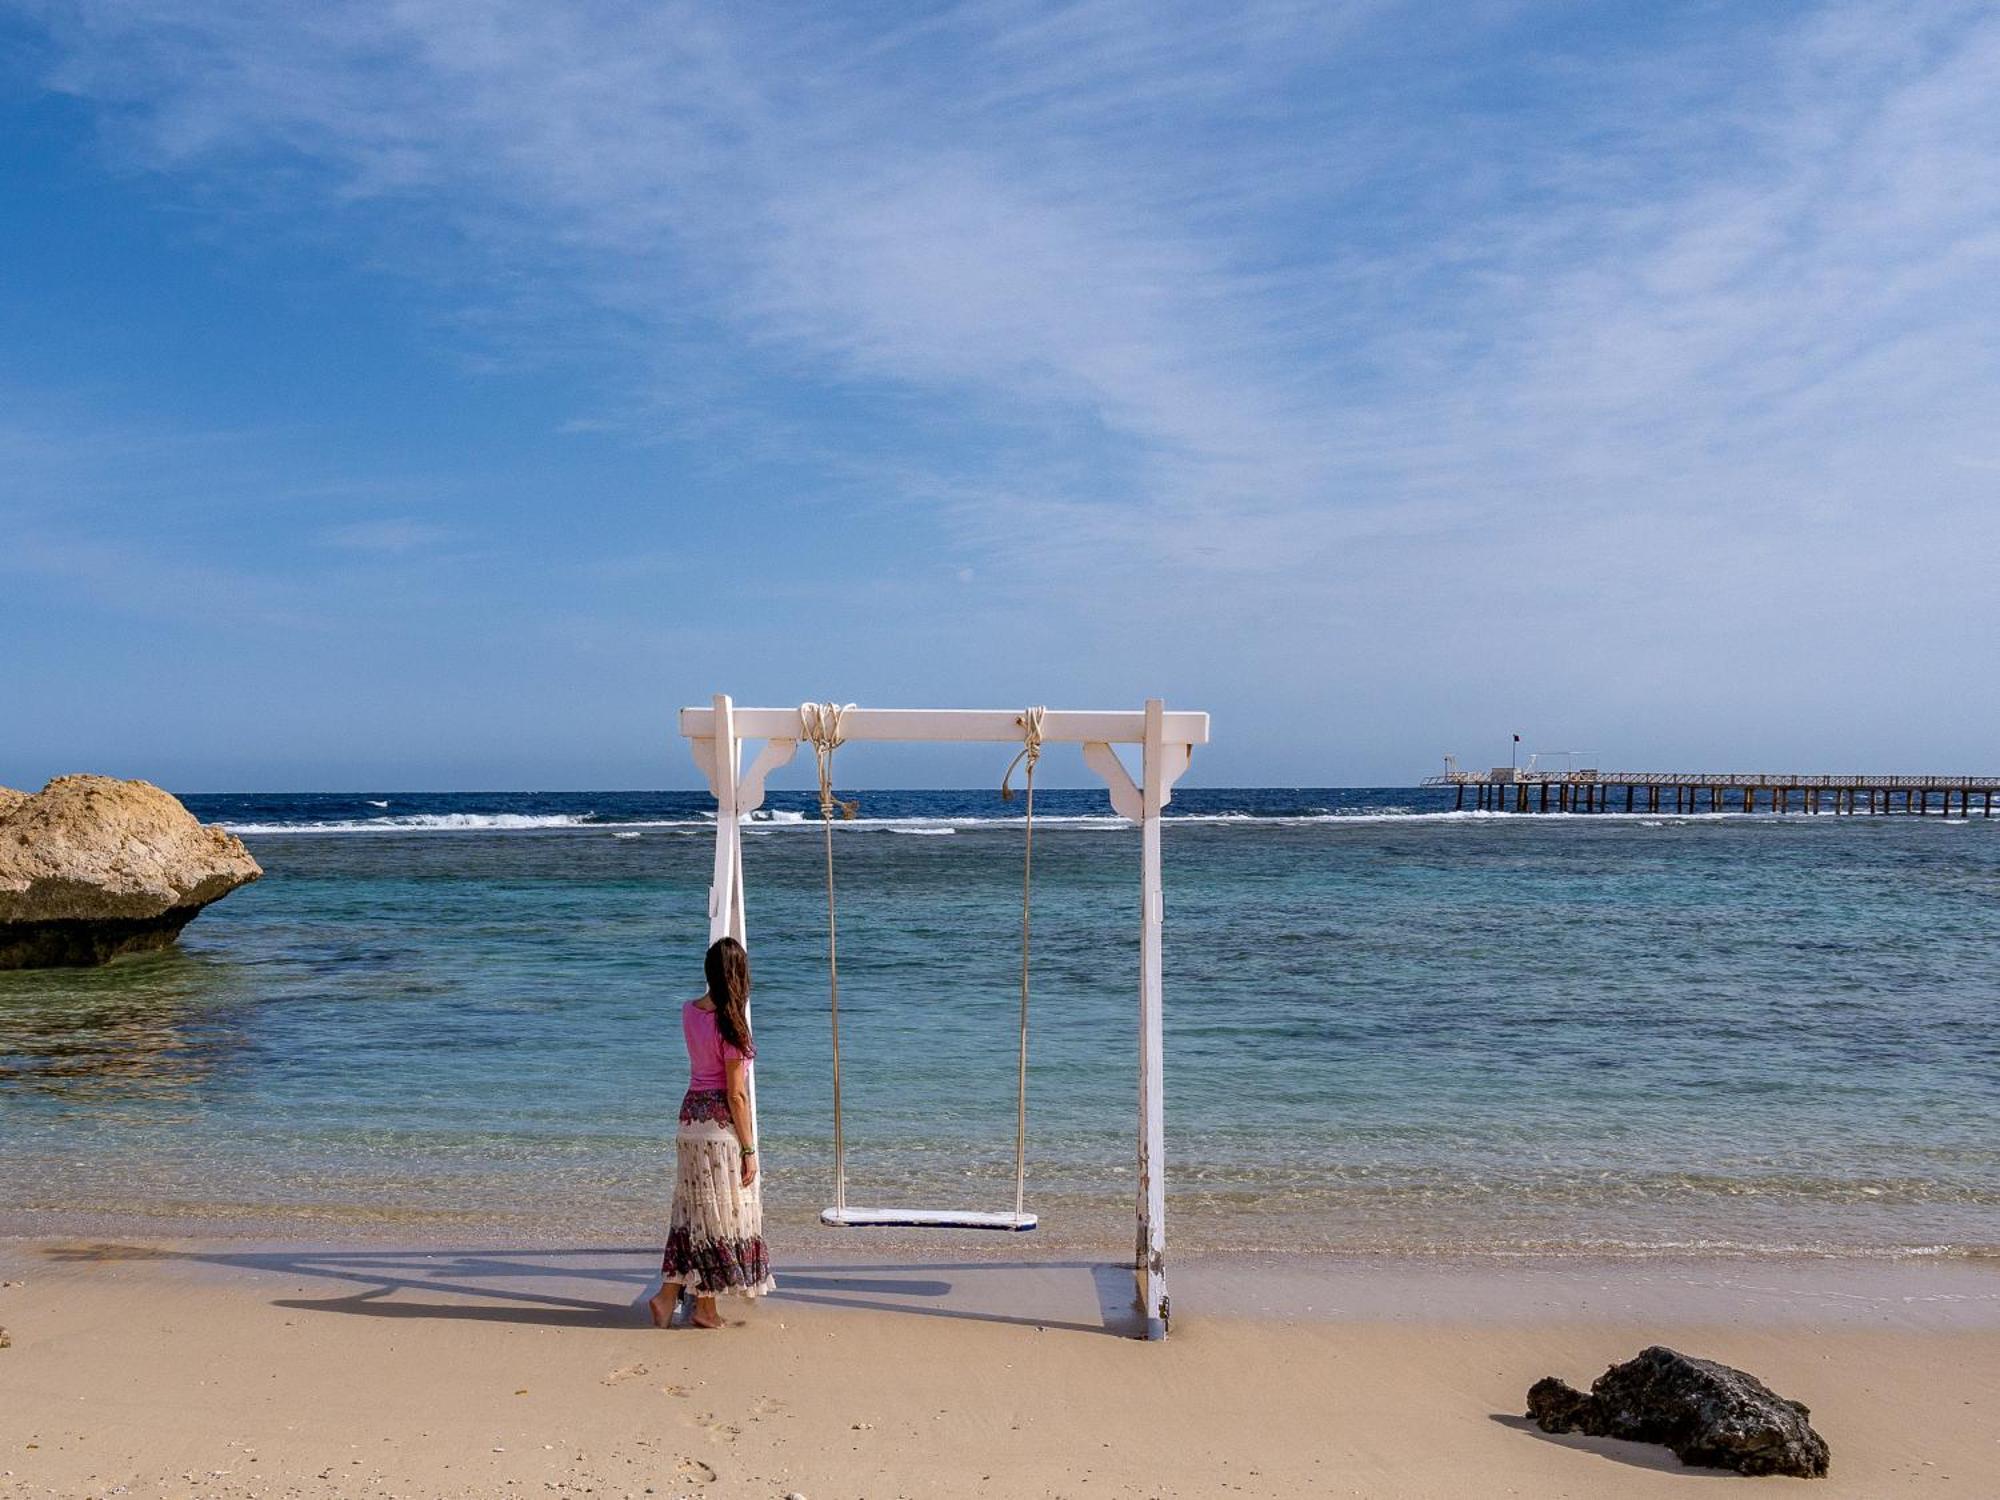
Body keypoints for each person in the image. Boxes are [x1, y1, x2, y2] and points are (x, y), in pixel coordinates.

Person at [649, 935, 774, 1328]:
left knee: (693, 1212)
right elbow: (736, 1094)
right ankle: (700, 1306)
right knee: (719, 1218)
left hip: (689, 1119)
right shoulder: (732, 1024)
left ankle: (673, 1296)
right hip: (719, 1127)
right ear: (738, 975)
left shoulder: (689, 1011)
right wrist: (749, 1149)